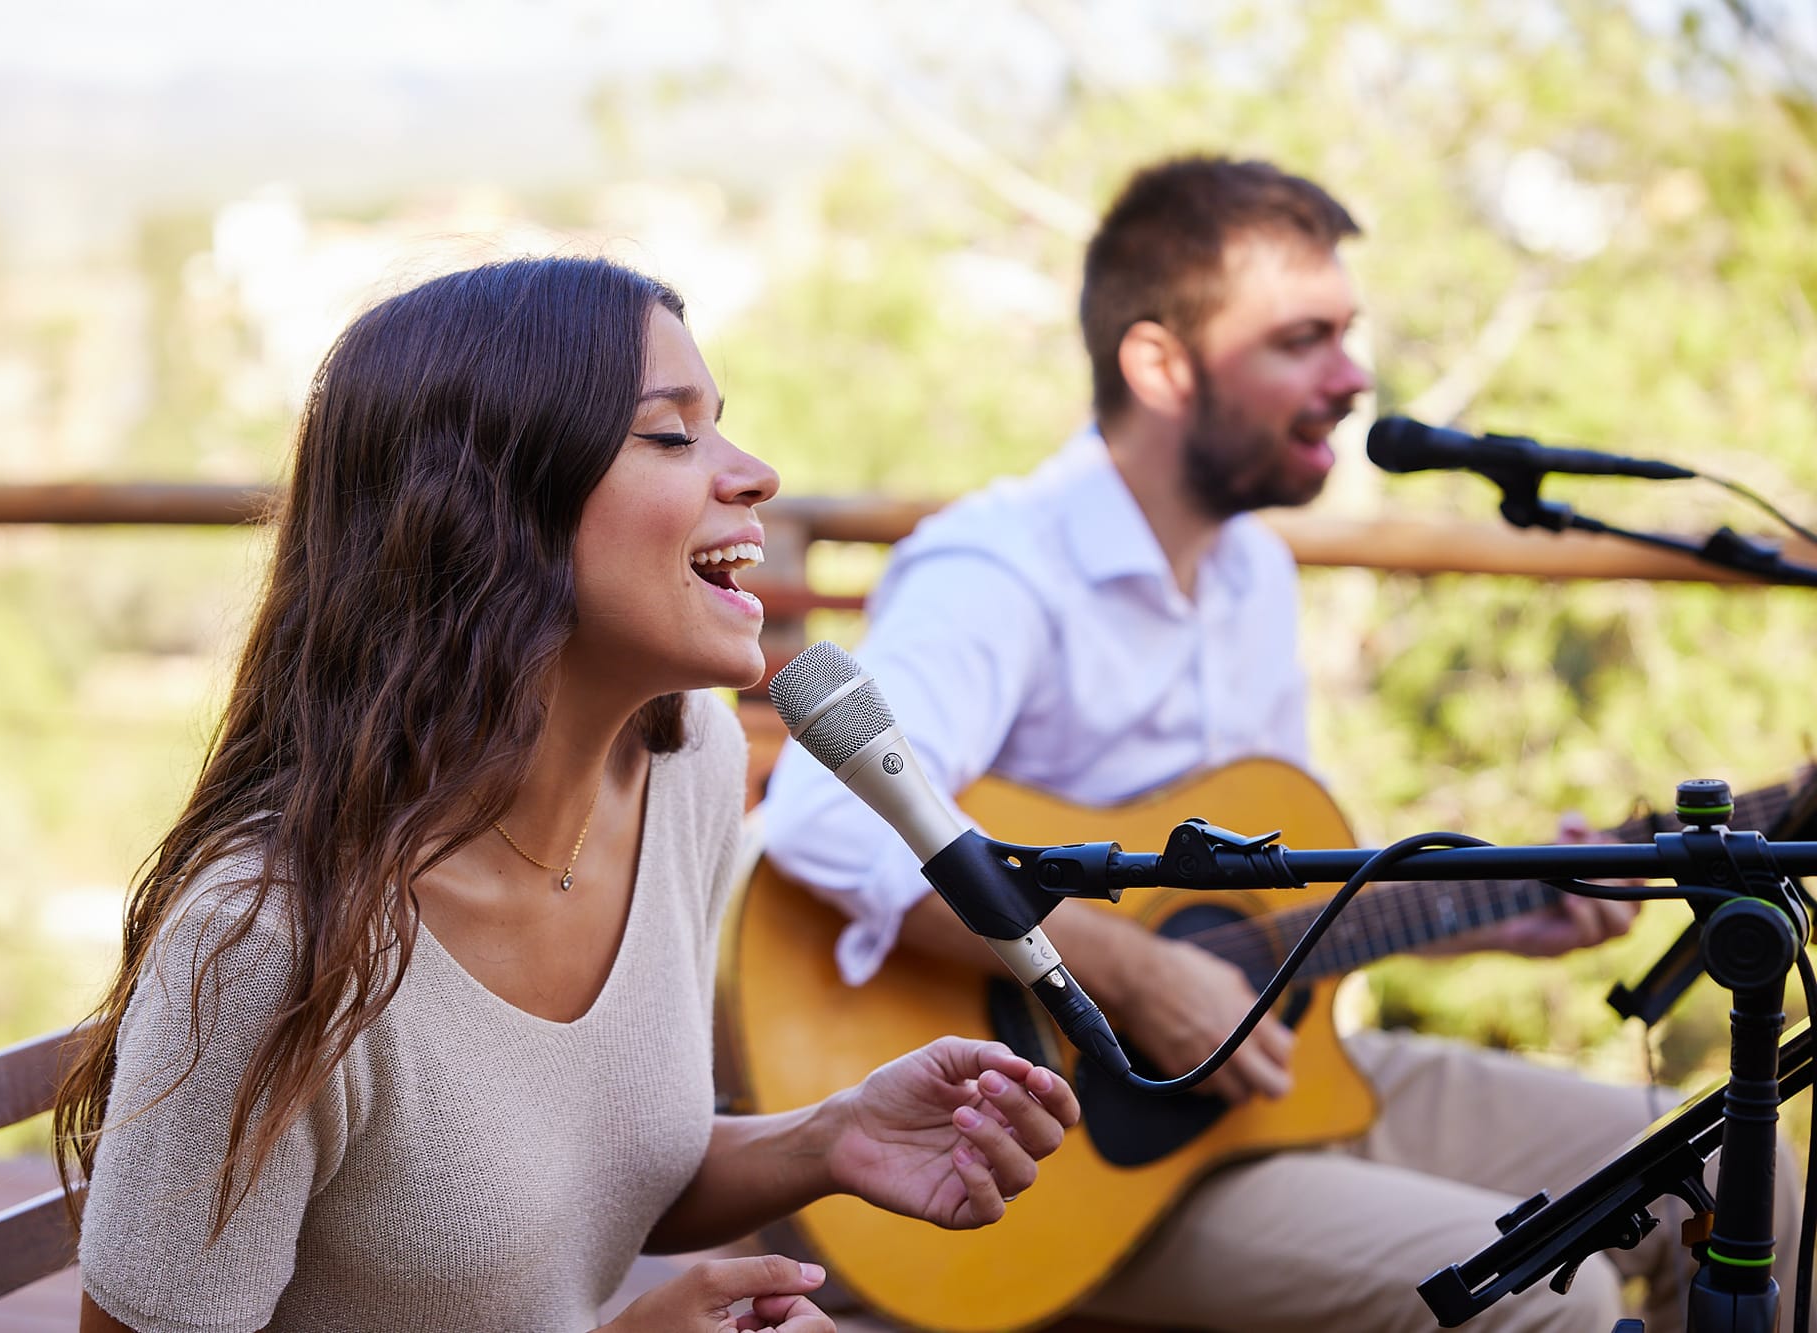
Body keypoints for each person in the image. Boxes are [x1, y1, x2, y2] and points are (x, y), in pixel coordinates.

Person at [762, 155, 1802, 1332]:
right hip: (1048, 1159)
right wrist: (1134, 969)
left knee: (1736, 1170)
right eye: (1302, 340)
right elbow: (820, 814)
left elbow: (1255, 921)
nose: (1351, 378)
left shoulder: (1251, 570)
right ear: (1158, 364)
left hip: (1267, 1088)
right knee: (1534, 1301)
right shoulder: (997, 569)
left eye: (1345, 335)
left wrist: (1481, 915)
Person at [51, 255, 1080, 1333]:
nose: (754, 474)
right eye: (672, 435)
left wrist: (828, 1138)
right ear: (491, 508)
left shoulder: (687, 770)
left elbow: (584, 1180)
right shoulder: (268, 940)